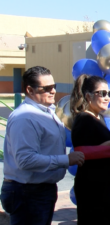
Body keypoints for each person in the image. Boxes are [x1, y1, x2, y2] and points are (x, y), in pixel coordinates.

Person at [0, 66, 85, 225]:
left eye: (54, 86)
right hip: (27, 192)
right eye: (46, 88)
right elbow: (25, 160)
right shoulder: (25, 118)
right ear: (30, 90)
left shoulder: (49, 111)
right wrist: (66, 160)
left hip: (39, 190)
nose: (52, 91)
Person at [70, 74, 110, 225]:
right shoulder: (83, 120)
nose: (107, 97)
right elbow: (85, 153)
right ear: (88, 96)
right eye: (102, 93)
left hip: (102, 182)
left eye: (109, 93)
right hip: (90, 185)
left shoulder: (99, 117)